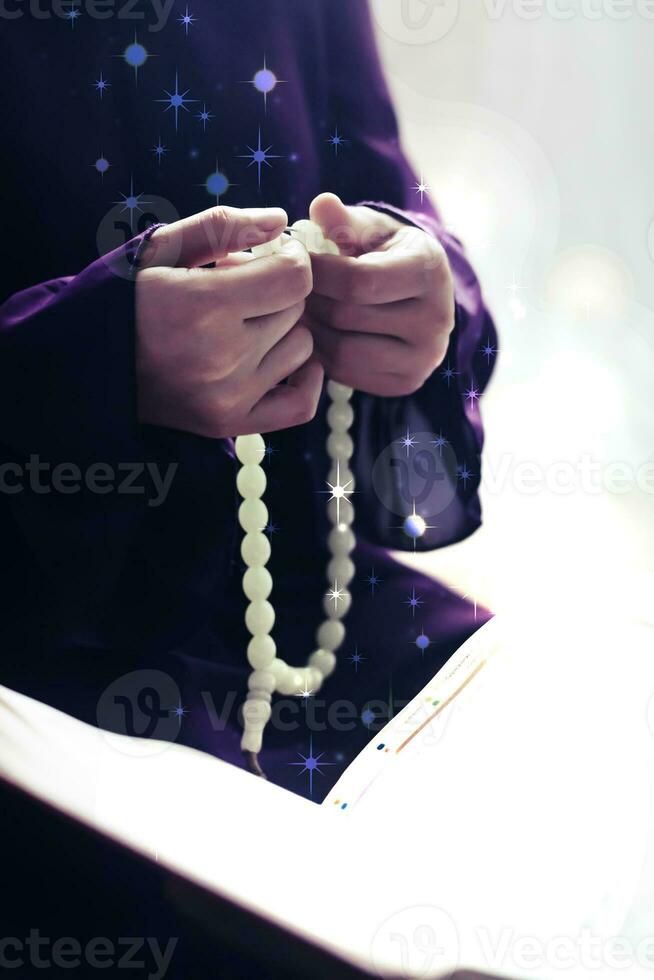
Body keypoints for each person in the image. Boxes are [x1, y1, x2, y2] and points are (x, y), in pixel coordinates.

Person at [0, 0, 496, 799]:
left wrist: (420, 291)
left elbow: (377, 187)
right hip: (40, 646)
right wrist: (78, 370)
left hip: (311, 609)